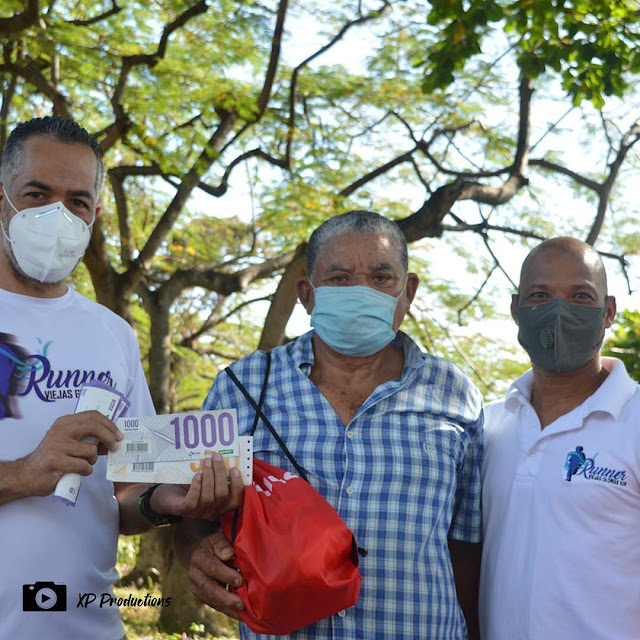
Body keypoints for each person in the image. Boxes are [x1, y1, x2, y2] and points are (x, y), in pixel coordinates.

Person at [175, 210, 484, 640]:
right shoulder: (243, 387)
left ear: (408, 291)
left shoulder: (455, 395)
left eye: (381, 277)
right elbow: (190, 511)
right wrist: (196, 549)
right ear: (308, 294)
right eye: (339, 278)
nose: (362, 291)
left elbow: (466, 545)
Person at [0, 116, 229, 640]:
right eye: (37, 194)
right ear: (2, 199)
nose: (57, 214)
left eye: (77, 201)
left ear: (95, 214)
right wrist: (23, 472)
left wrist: (168, 499)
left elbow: (125, 494)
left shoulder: (112, 333)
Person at [479, 237, 640, 639]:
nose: (558, 310)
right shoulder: (487, 427)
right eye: (540, 295)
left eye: (580, 295)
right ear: (516, 310)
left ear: (608, 313)